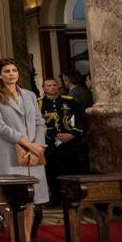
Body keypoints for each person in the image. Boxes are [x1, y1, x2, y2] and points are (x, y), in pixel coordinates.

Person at [0, 58, 49, 242]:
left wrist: (37, 145)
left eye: (14, 70)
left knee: (30, 199)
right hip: (11, 153)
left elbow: (39, 122)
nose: (11, 74)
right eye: (6, 71)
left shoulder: (29, 95)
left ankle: (27, 240)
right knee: (13, 200)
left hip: (34, 154)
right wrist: (26, 144)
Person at [38, 78, 85, 206]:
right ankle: (55, 198)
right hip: (50, 143)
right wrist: (53, 135)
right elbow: (38, 123)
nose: (52, 87)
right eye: (49, 85)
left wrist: (73, 134)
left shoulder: (69, 101)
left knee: (70, 170)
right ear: (43, 88)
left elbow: (80, 119)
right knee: (52, 171)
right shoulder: (39, 103)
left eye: (54, 85)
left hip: (70, 143)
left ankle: (71, 198)